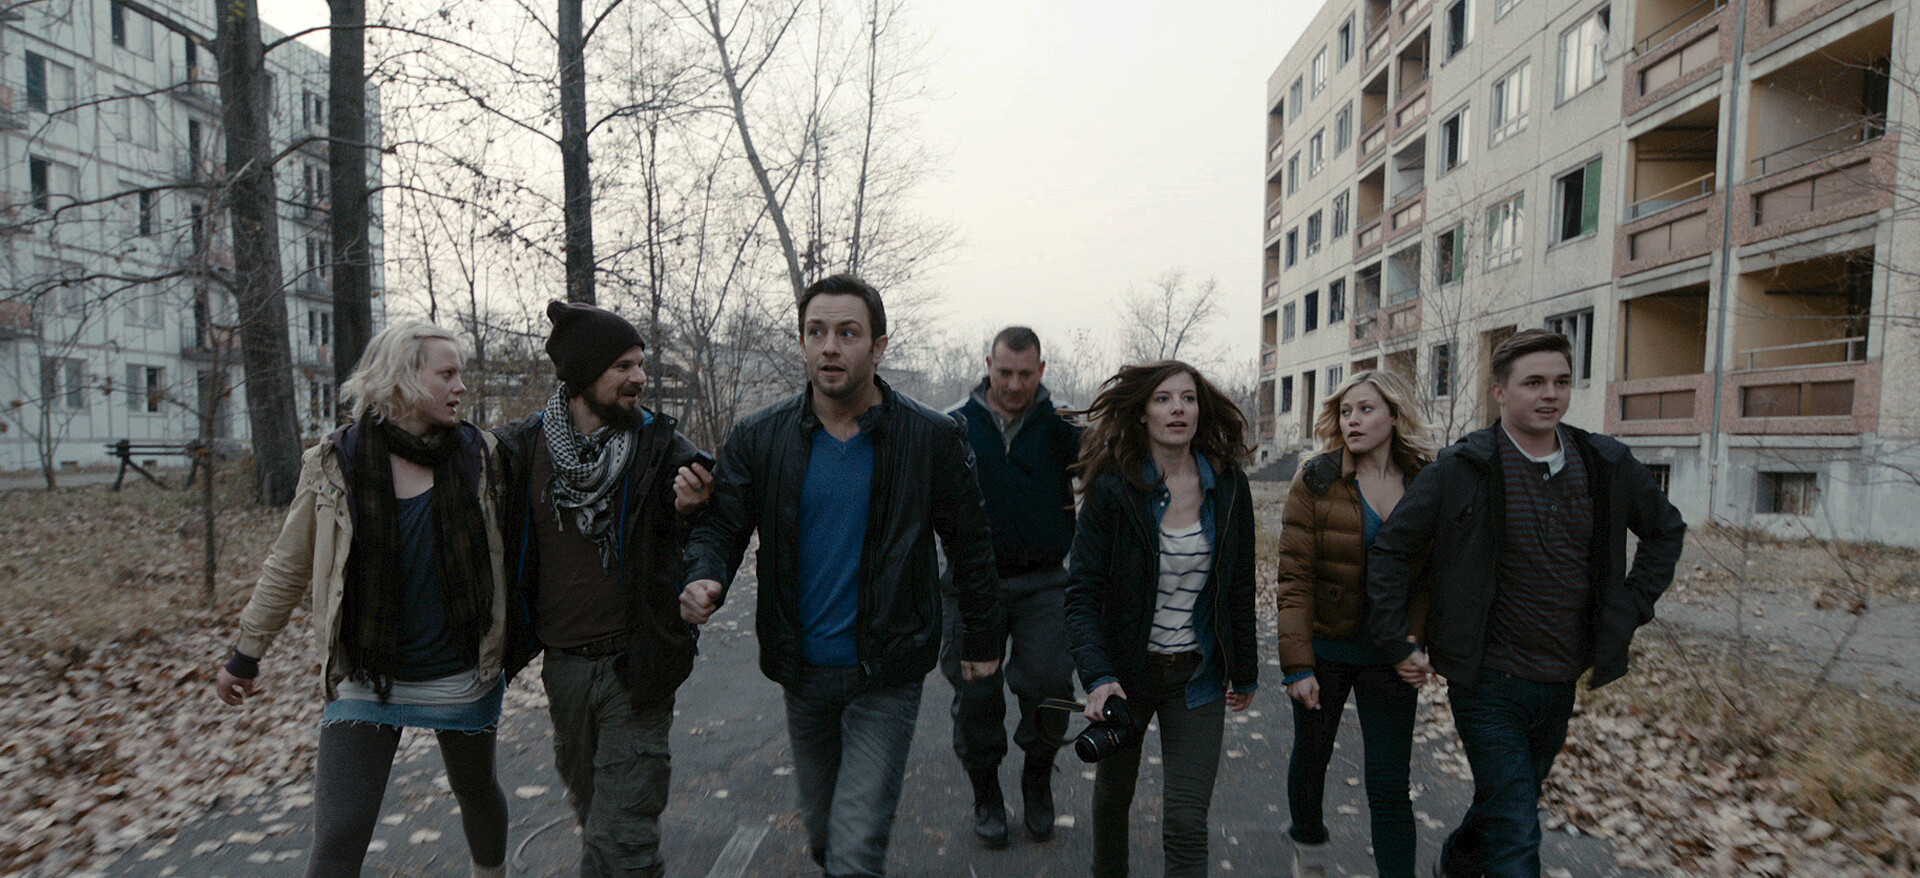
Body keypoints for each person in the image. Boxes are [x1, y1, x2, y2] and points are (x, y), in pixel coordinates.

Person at [677, 274, 1003, 878]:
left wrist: (982, 640)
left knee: (856, 853)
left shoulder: (930, 437)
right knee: (826, 838)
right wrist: (705, 576)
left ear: (878, 347)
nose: (830, 346)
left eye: (848, 333)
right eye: (816, 332)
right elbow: (722, 527)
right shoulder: (760, 436)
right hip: (802, 668)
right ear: (802, 343)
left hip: (888, 669)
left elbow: (971, 545)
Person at [1367, 329, 1687, 878]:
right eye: (1534, 382)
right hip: (1486, 680)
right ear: (1499, 391)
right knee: (1517, 830)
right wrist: (1398, 639)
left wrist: (1631, 606)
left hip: (1560, 676)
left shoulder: (1603, 462)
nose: (1550, 395)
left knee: (1505, 803)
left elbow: (1666, 530)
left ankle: (1459, 864)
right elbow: (1392, 550)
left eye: (1561, 382)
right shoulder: (1463, 468)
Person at [213, 322, 512, 878]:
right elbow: (289, 564)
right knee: (340, 833)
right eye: (447, 374)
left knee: (476, 792)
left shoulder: (482, 456)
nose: (461, 386)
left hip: (458, 671)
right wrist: (246, 653)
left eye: (460, 374)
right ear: (403, 379)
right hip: (365, 674)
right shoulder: (335, 461)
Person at [494, 301, 714, 877]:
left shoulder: (663, 450)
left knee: (624, 837)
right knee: (594, 815)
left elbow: (712, 534)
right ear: (582, 375)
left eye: (640, 363)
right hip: (563, 668)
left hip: (635, 664)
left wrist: (691, 512)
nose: (640, 377)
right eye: (623, 366)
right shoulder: (521, 450)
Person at [1062, 360, 1260, 878]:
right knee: (1113, 799)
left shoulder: (1229, 486)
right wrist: (1098, 677)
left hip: (1197, 675)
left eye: (1188, 398)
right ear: (1142, 413)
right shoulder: (1114, 488)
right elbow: (1082, 594)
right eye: (1163, 399)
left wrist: (1246, 669)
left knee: (1186, 822)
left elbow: (1238, 584)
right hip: (1126, 675)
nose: (1178, 409)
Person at [1274, 370, 1437, 878]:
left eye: (1366, 409)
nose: (1353, 421)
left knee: (1389, 784)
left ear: (1395, 414)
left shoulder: (1425, 481)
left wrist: (1416, 644)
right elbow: (1295, 577)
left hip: (1390, 657)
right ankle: (1309, 852)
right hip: (1325, 650)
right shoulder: (1317, 479)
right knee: (1312, 761)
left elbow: (1433, 578)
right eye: (1346, 411)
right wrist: (1298, 666)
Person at [940, 326, 1082, 848]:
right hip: (970, 584)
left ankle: (1037, 778)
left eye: (1026, 374)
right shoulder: (954, 424)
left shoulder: (1064, 426)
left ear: (1041, 370)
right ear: (988, 366)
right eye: (1005, 373)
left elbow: (1113, 471)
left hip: (1043, 581)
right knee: (976, 694)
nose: (1015, 385)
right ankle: (986, 794)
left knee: (1051, 685)